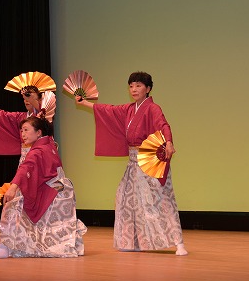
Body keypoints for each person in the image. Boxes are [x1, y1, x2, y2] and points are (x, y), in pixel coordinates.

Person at [75, 71, 188, 256]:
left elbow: (163, 125)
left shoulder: (153, 108)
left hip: (151, 159)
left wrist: (168, 141)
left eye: (138, 85)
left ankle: (178, 242)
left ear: (148, 89)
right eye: (131, 86)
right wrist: (85, 103)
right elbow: (107, 110)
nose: (134, 89)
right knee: (127, 198)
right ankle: (132, 241)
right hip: (133, 162)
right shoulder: (128, 109)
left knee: (160, 199)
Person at [0, 116, 87, 259]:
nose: (23, 134)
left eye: (26, 130)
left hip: (53, 192)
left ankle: (4, 248)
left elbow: (26, 167)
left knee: (12, 207)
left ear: (38, 133)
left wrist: (13, 187)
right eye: (21, 131)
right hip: (61, 190)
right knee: (20, 204)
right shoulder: (49, 144)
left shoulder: (38, 150)